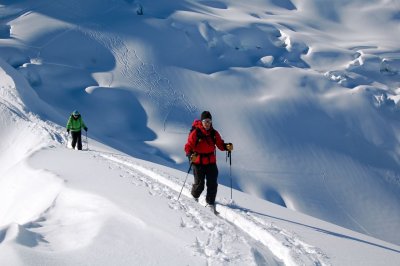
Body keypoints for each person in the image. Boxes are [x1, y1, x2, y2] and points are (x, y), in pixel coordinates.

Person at [184, 111, 233, 208]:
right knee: (200, 185)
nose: (207, 123)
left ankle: (210, 204)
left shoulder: (214, 133)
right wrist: (190, 155)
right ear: (202, 121)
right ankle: (194, 198)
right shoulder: (195, 133)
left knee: (213, 184)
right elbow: (188, 146)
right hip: (198, 162)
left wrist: (227, 146)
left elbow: (220, 145)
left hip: (211, 162)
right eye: (205, 121)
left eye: (209, 121)